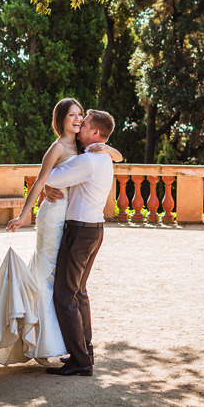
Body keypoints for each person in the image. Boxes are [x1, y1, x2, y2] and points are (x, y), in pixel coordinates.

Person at [0, 99, 121, 376]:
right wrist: (25, 213)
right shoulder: (62, 148)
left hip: (76, 224)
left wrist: (107, 148)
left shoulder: (89, 151)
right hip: (60, 218)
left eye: (81, 115)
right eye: (73, 115)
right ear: (61, 119)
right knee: (62, 284)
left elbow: (106, 156)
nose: (78, 119)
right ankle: (69, 349)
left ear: (92, 132)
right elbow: (41, 180)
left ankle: (71, 353)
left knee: (66, 290)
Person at [40, 109, 117, 377]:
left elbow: (48, 177)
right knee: (79, 292)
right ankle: (86, 352)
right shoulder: (104, 157)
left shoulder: (88, 161)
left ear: (95, 133)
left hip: (80, 231)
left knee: (64, 295)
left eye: (83, 125)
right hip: (95, 229)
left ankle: (80, 360)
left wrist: (48, 181)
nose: (78, 126)